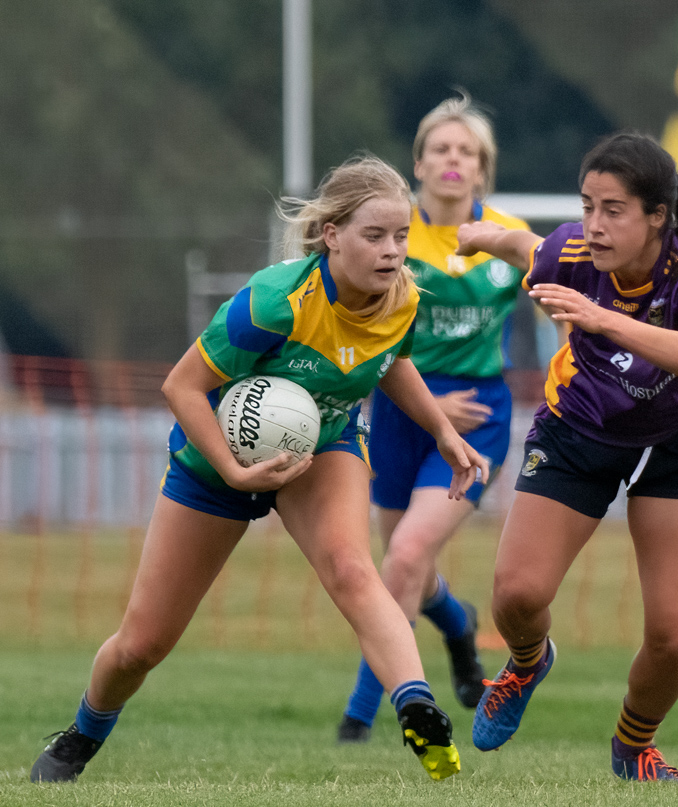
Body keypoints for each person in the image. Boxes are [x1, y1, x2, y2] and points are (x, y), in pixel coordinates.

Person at [29, 156, 490, 784]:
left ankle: (416, 705)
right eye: (374, 236)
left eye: (402, 235)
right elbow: (182, 387)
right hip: (214, 464)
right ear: (332, 234)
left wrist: (441, 429)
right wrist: (234, 470)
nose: (392, 251)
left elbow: (389, 361)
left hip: (322, 448)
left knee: (353, 570)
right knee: (143, 645)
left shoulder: (402, 295)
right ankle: (80, 736)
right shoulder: (275, 302)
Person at [455, 132, 678, 782]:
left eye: (613, 209)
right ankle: (527, 660)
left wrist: (601, 317)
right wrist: (474, 236)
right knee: (517, 595)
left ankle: (633, 742)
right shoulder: (573, 250)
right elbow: (525, 246)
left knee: (673, 637)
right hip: (581, 424)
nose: (595, 224)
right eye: (588, 206)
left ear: (657, 216)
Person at [336, 94, 530, 743]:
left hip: (476, 413)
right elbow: (359, 330)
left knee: (408, 553)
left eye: (466, 152)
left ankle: (361, 717)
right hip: (395, 406)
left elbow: (569, 309)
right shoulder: (390, 234)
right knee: (405, 564)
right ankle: (456, 623)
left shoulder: (509, 235)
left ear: (482, 170)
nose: (453, 159)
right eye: (440, 149)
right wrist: (417, 399)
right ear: (417, 165)